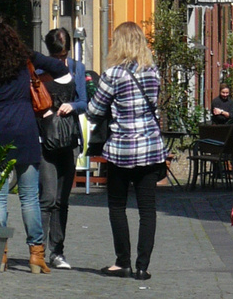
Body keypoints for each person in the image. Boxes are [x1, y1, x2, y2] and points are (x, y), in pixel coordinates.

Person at [0, 14, 67, 274]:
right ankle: (36, 255)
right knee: (29, 198)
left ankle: (1, 254)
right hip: (24, 129)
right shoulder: (24, 58)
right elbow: (61, 69)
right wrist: (36, 80)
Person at [86, 22, 165, 280]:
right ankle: (143, 266)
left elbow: (94, 111)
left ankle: (123, 262)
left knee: (117, 206)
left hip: (122, 149)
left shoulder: (113, 75)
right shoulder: (153, 73)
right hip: (151, 148)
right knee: (148, 209)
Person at [37, 28, 87, 270]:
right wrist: (41, 109)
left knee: (61, 200)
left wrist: (71, 106)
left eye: (63, 56)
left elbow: (84, 102)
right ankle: (38, 249)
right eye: (56, 57)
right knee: (46, 197)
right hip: (45, 138)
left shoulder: (76, 69)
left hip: (68, 139)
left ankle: (57, 251)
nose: (60, 61)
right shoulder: (38, 71)